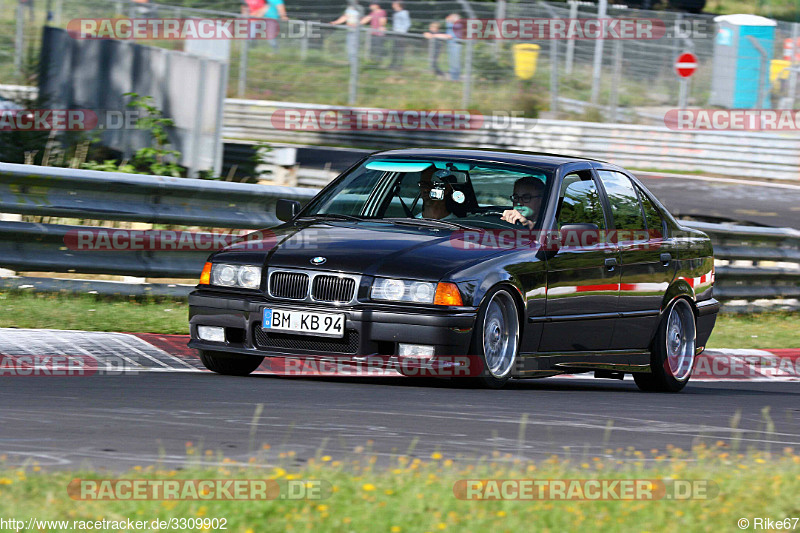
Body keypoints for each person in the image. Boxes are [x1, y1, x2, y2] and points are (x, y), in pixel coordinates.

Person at [331, 1, 364, 65]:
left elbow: (362, 19)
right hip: (350, 30)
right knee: (350, 47)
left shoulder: (360, 8)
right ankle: (351, 63)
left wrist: (356, 24)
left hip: (356, 31)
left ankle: (354, 64)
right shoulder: (349, 8)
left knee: (354, 48)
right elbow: (345, 17)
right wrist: (336, 22)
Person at [389, 1, 410, 69]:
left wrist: (401, 32)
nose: (393, 5)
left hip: (400, 34)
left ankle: (399, 65)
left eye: (394, 4)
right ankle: (393, 64)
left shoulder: (404, 13)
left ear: (399, 5)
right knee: (394, 50)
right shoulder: (396, 13)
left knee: (400, 50)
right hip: (395, 33)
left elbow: (407, 24)